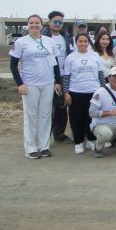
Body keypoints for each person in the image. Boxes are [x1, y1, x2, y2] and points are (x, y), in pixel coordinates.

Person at [9, 14, 62, 159]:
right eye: (31, 23)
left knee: (45, 115)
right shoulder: (21, 42)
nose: (34, 25)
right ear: (28, 25)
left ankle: (44, 146)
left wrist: (58, 82)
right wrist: (20, 84)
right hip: (30, 84)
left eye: (37, 22)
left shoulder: (49, 41)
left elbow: (55, 63)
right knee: (31, 116)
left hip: (48, 84)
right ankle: (31, 148)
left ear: (42, 25)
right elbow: (13, 65)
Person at [63, 33, 106, 154]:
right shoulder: (70, 57)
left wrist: (102, 91)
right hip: (76, 92)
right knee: (77, 118)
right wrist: (66, 93)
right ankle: (78, 142)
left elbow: (101, 75)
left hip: (93, 92)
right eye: (80, 41)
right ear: (76, 43)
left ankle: (91, 140)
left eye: (85, 41)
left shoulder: (95, 56)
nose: (83, 44)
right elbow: (66, 77)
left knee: (91, 118)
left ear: (88, 42)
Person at [41, 10, 73, 144]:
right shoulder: (43, 37)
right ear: (49, 22)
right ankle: (44, 138)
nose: (58, 24)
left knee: (62, 106)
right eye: (55, 21)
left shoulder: (65, 36)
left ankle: (59, 134)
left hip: (64, 75)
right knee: (47, 108)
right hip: (48, 76)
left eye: (60, 22)